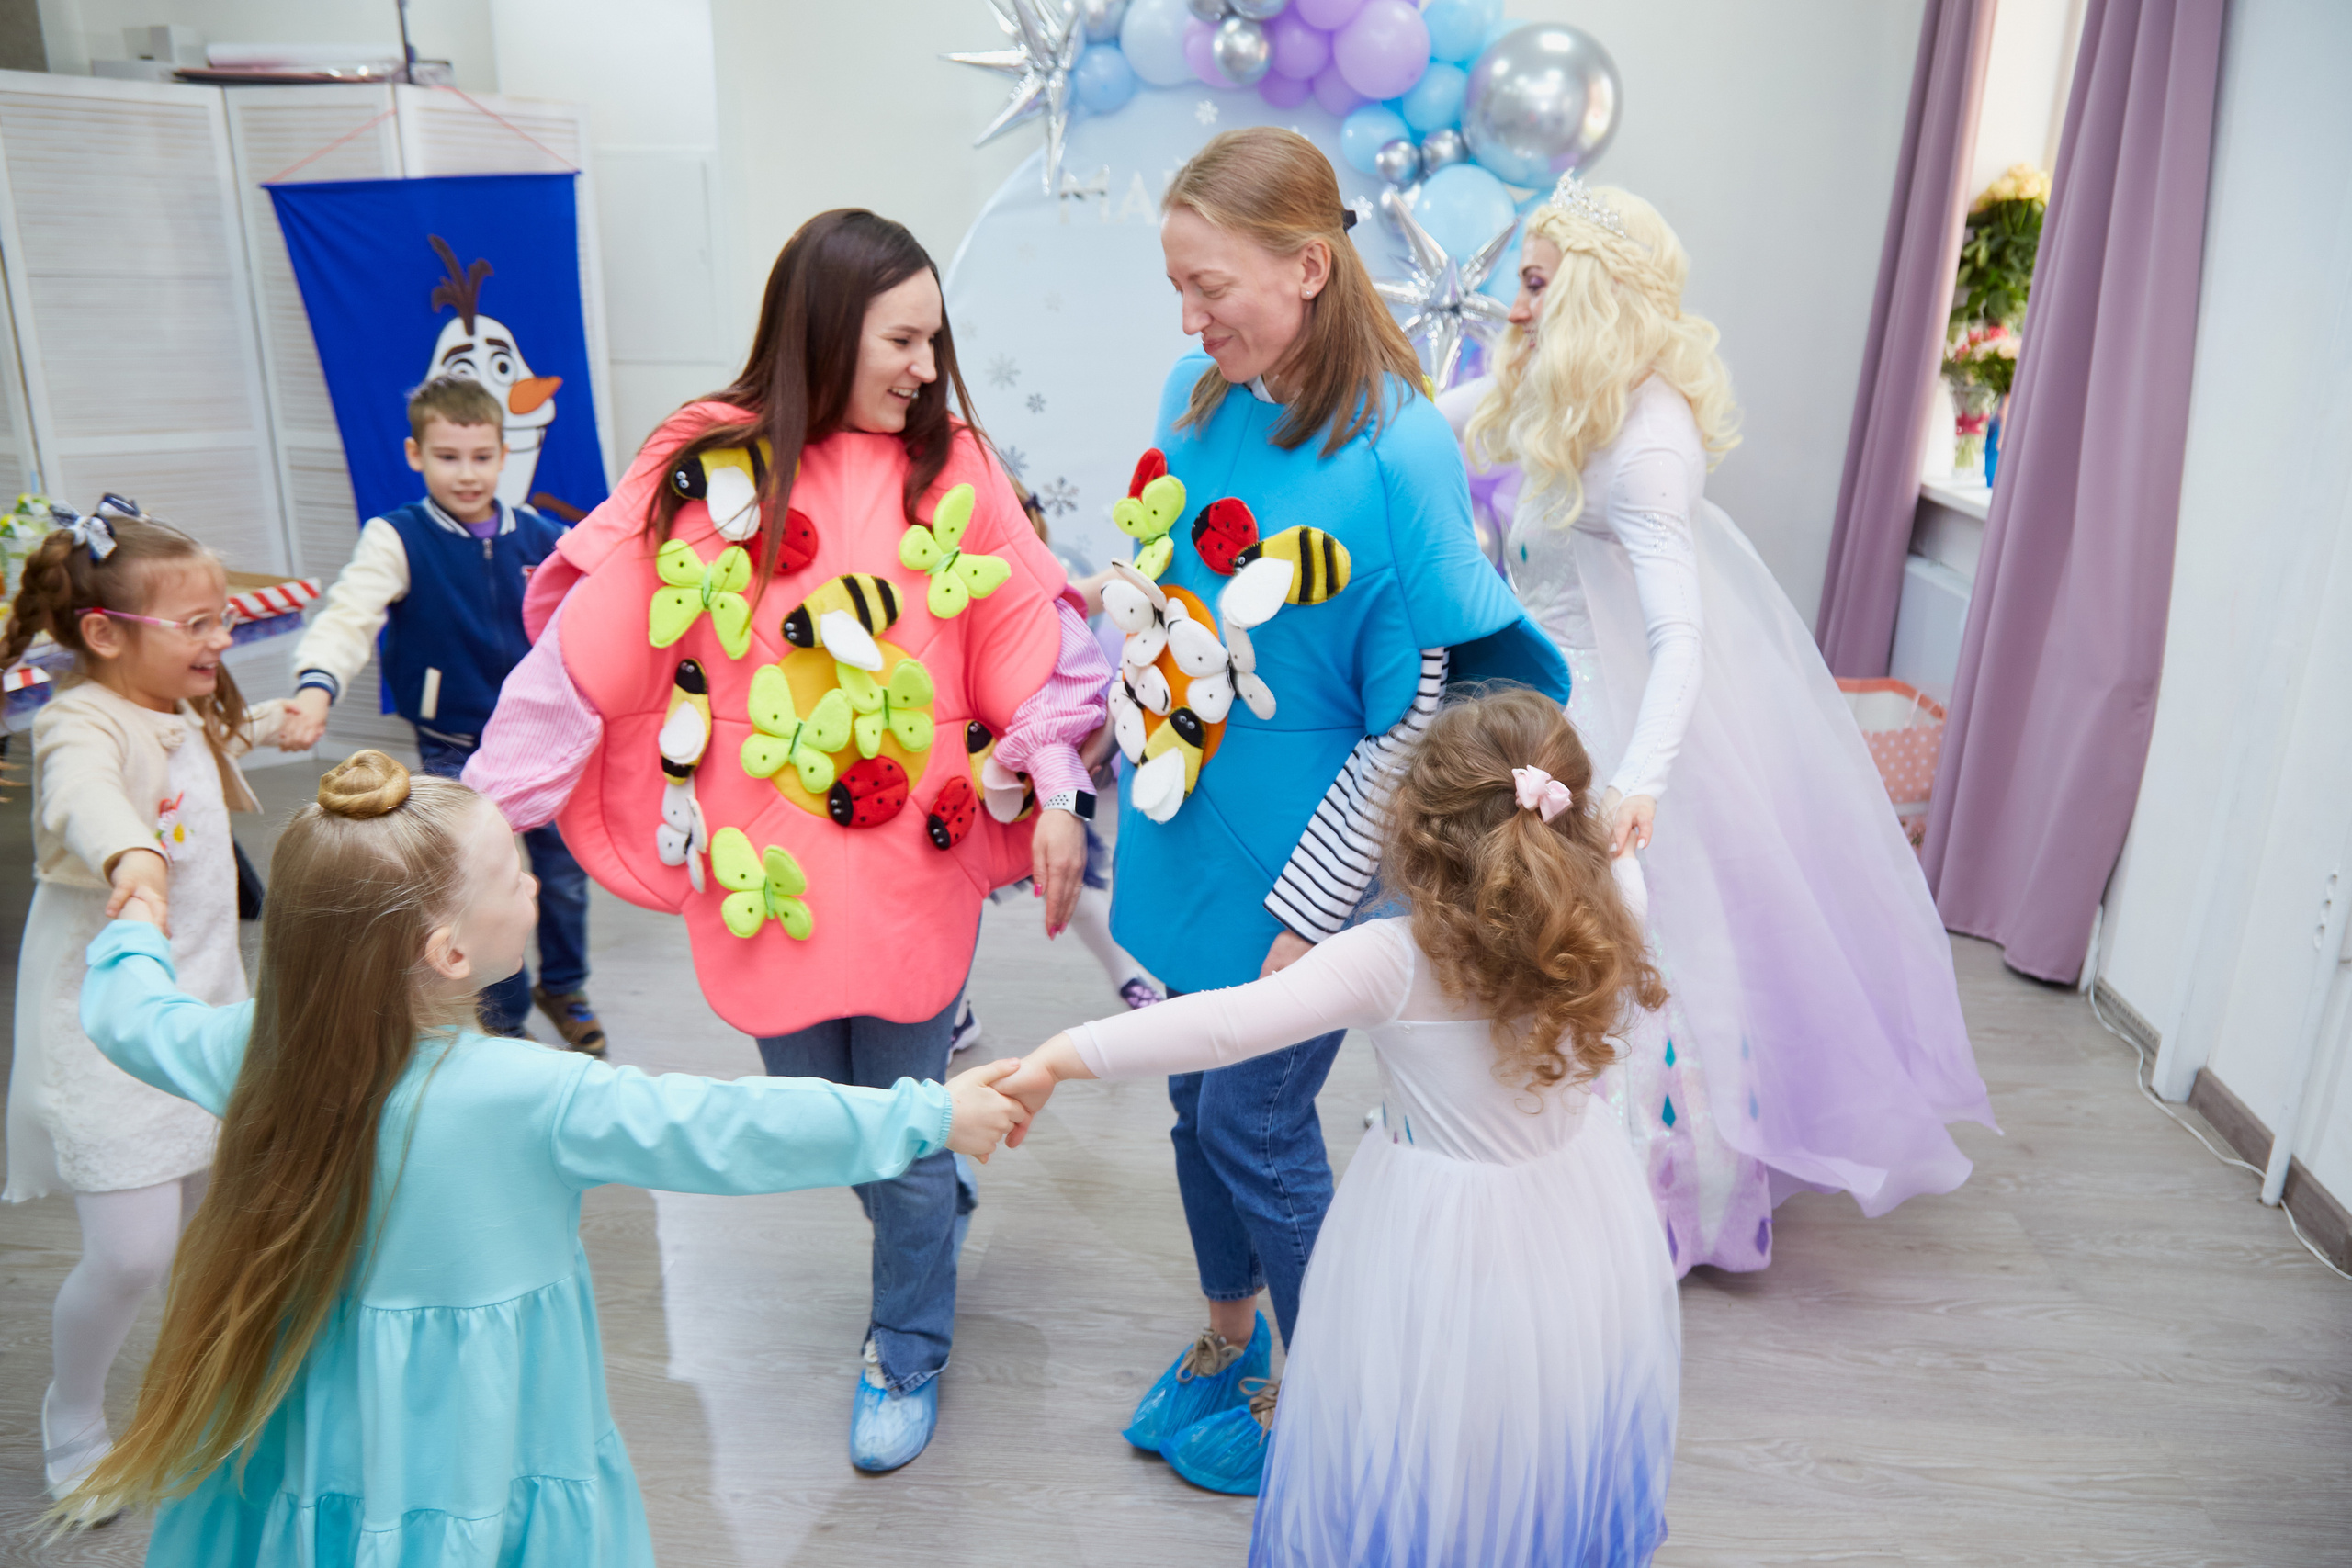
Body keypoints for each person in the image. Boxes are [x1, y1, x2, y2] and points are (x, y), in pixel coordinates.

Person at [461, 209, 1107, 1472]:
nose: (927, 365)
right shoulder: (714, 461)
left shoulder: (954, 467)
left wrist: (1062, 789)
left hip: (914, 864)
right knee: (827, 1116)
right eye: (902, 337)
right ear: (824, 330)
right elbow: (595, 647)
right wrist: (477, 816)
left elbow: (1036, 634)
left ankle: (908, 1339)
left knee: (906, 1133)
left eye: (936, 338)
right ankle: (926, 1178)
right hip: (764, 871)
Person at [52, 750, 1033, 1557]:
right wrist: (923, 1116)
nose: (535, 883)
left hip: (306, 1408)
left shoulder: (256, 1051)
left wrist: (133, 928)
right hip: (483, 1430)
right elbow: (726, 1127)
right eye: (518, 874)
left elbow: (132, 1016)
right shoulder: (534, 1095)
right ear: (448, 953)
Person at [1102, 127, 1571, 1495]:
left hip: (1303, 867)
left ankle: (1342, 1395)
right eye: (1177, 288)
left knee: (1251, 1118)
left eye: (1212, 285)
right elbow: (1178, 597)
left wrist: (1307, 924)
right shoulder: (1197, 393)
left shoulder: (1401, 451)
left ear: (1310, 266)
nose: (1190, 319)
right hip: (1190, 825)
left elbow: (1409, 720)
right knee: (1194, 1102)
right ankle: (1227, 1340)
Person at [1450, 176, 1996, 1273]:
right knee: (1537, 950)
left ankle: (1630, 1203)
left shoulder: (1646, 444)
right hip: (1535, 710)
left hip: (1608, 724)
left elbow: (1680, 639)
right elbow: (1421, 429)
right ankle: (1526, 1159)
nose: (1512, 304)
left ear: (1590, 296)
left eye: (1535, 283)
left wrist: (1636, 783)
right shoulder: (1555, 395)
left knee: (1629, 961)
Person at [1005, 688, 1679, 1565]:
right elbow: (1622, 845)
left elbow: (1222, 1025)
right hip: (1577, 1223)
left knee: (1416, 1426)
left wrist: (1062, 1053)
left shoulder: (1392, 957)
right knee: (1541, 1421)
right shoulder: (1613, 904)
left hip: (1433, 1234)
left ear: (1415, 825)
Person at [0, 498, 288, 1501]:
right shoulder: (78, 719)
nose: (224, 637)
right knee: (131, 1254)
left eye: (224, 616)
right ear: (101, 634)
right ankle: (72, 1415)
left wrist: (274, 729)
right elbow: (90, 792)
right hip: (110, 1032)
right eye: (199, 623)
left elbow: (194, 784)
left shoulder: (178, 703)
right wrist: (131, 860)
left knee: (215, 1235)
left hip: (203, 1015)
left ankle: (206, 1398)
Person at [277, 376, 605, 1054]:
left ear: (502, 455)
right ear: (415, 454)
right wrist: (316, 686)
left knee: (564, 876)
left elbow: (600, 615)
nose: (467, 472)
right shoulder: (396, 538)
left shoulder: (542, 536)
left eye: (482, 456)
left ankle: (564, 985)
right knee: (479, 884)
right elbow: (349, 615)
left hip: (548, 745)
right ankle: (502, 1018)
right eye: (448, 456)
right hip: (454, 746)